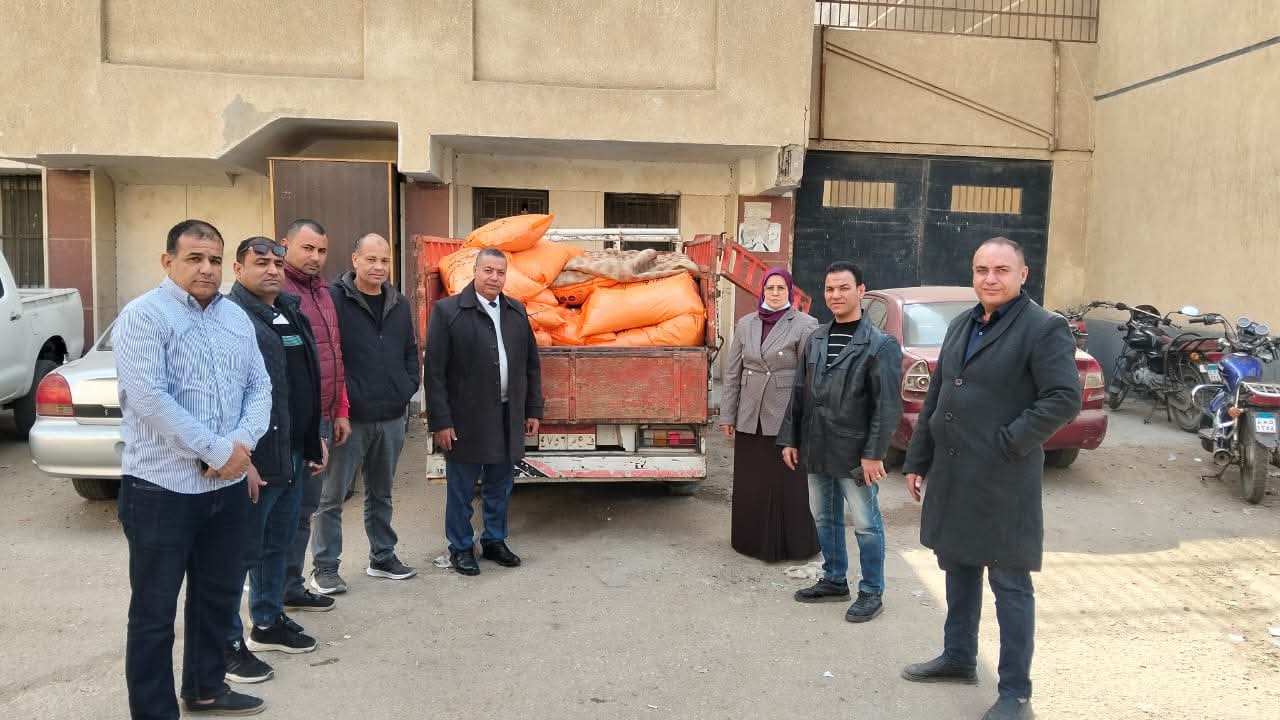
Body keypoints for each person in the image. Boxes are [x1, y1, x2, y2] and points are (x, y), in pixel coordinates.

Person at [900, 237, 1080, 720]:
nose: (990, 278)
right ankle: (959, 657)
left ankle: (1016, 692)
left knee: (1010, 584)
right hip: (954, 473)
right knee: (957, 566)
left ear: (1023, 275)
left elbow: (1063, 398)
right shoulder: (962, 323)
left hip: (1003, 478)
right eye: (982, 269)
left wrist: (1008, 442)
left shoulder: (1043, 328)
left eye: (1001, 270)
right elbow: (937, 395)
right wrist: (918, 460)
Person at [114, 219, 272, 718]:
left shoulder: (235, 318)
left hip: (225, 489)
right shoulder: (143, 316)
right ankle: (153, 710)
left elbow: (260, 386)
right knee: (154, 610)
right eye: (194, 258)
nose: (207, 268)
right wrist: (217, 451)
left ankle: (205, 688)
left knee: (216, 597)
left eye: (215, 260)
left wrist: (241, 446)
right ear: (168, 262)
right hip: (161, 490)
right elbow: (149, 399)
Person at [223, 237, 327, 684]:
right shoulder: (233, 317)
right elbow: (229, 394)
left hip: (291, 449)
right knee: (238, 553)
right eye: (260, 262)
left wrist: (312, 437)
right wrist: (239, 456)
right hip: (255, 456)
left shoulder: (287, 309)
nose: (271, 270)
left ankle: (266, 622)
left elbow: (302, 380)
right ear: (238, 268)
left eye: (277, 264)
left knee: (276, 543)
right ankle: (227, 645)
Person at [777, 261, 902, 623]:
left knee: (865, 523)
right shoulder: (816, 338)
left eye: (844, 288)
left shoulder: (880, 345)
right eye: (830, 289)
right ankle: (834, 579)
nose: (835, 295)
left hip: (855, 452)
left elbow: (887, 405)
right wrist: (790, 438)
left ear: (861, 291)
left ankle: (871, 591)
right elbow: (799, 391)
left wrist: (874, 454)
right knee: (824, 516)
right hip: (816, 444)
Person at [310, 233, 420, 593]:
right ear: (355, 259)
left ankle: (382, 557)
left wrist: (407, 386)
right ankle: (325, 567)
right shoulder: (333, 300)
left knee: (381, 493)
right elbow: (328, 355)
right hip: (349, 418)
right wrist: (343, 402)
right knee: (332, 497)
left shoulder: (398, 303)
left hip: (391, 415)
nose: (378, 267)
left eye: (384, 261)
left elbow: (409, 350)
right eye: (371, 259)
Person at [424, 248, 543, 576]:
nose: (494, 277)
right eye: (488, 270)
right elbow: (434, 372)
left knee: (500, 484)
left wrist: (532, 408)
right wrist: (441, 421)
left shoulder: (516, 310)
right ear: (474, 272)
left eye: (500, 272)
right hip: (466, 418)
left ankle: (494, 540)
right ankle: (461, 546)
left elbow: (531, 365)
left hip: (507, 414)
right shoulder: (449, 311)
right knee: (461, 488)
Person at [720, 268, 820, 562]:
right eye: (770, 288)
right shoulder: (746, 323)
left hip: (784, 414)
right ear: (762, 290)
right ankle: (749, 541)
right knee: (752, 481)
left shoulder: (805, 324)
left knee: (786, 482)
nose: (775, 293)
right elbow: (732, 372)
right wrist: (728, 415)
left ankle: (791, 545)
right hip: (750, 414)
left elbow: (809, 376)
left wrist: (803, 420)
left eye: (780, 288)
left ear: (789, 292)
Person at [280, 218, 351, 612]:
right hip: (290, 422)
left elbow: (333, 356)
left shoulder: (323, 292)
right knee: (282, 510)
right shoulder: (278, 291)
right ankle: (272, 590)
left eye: (321, 250)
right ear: (285, 245)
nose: (316, 257)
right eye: (307, 248)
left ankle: (289, 586)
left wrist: (340, 410)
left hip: (321, 419)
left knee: (305, 508)